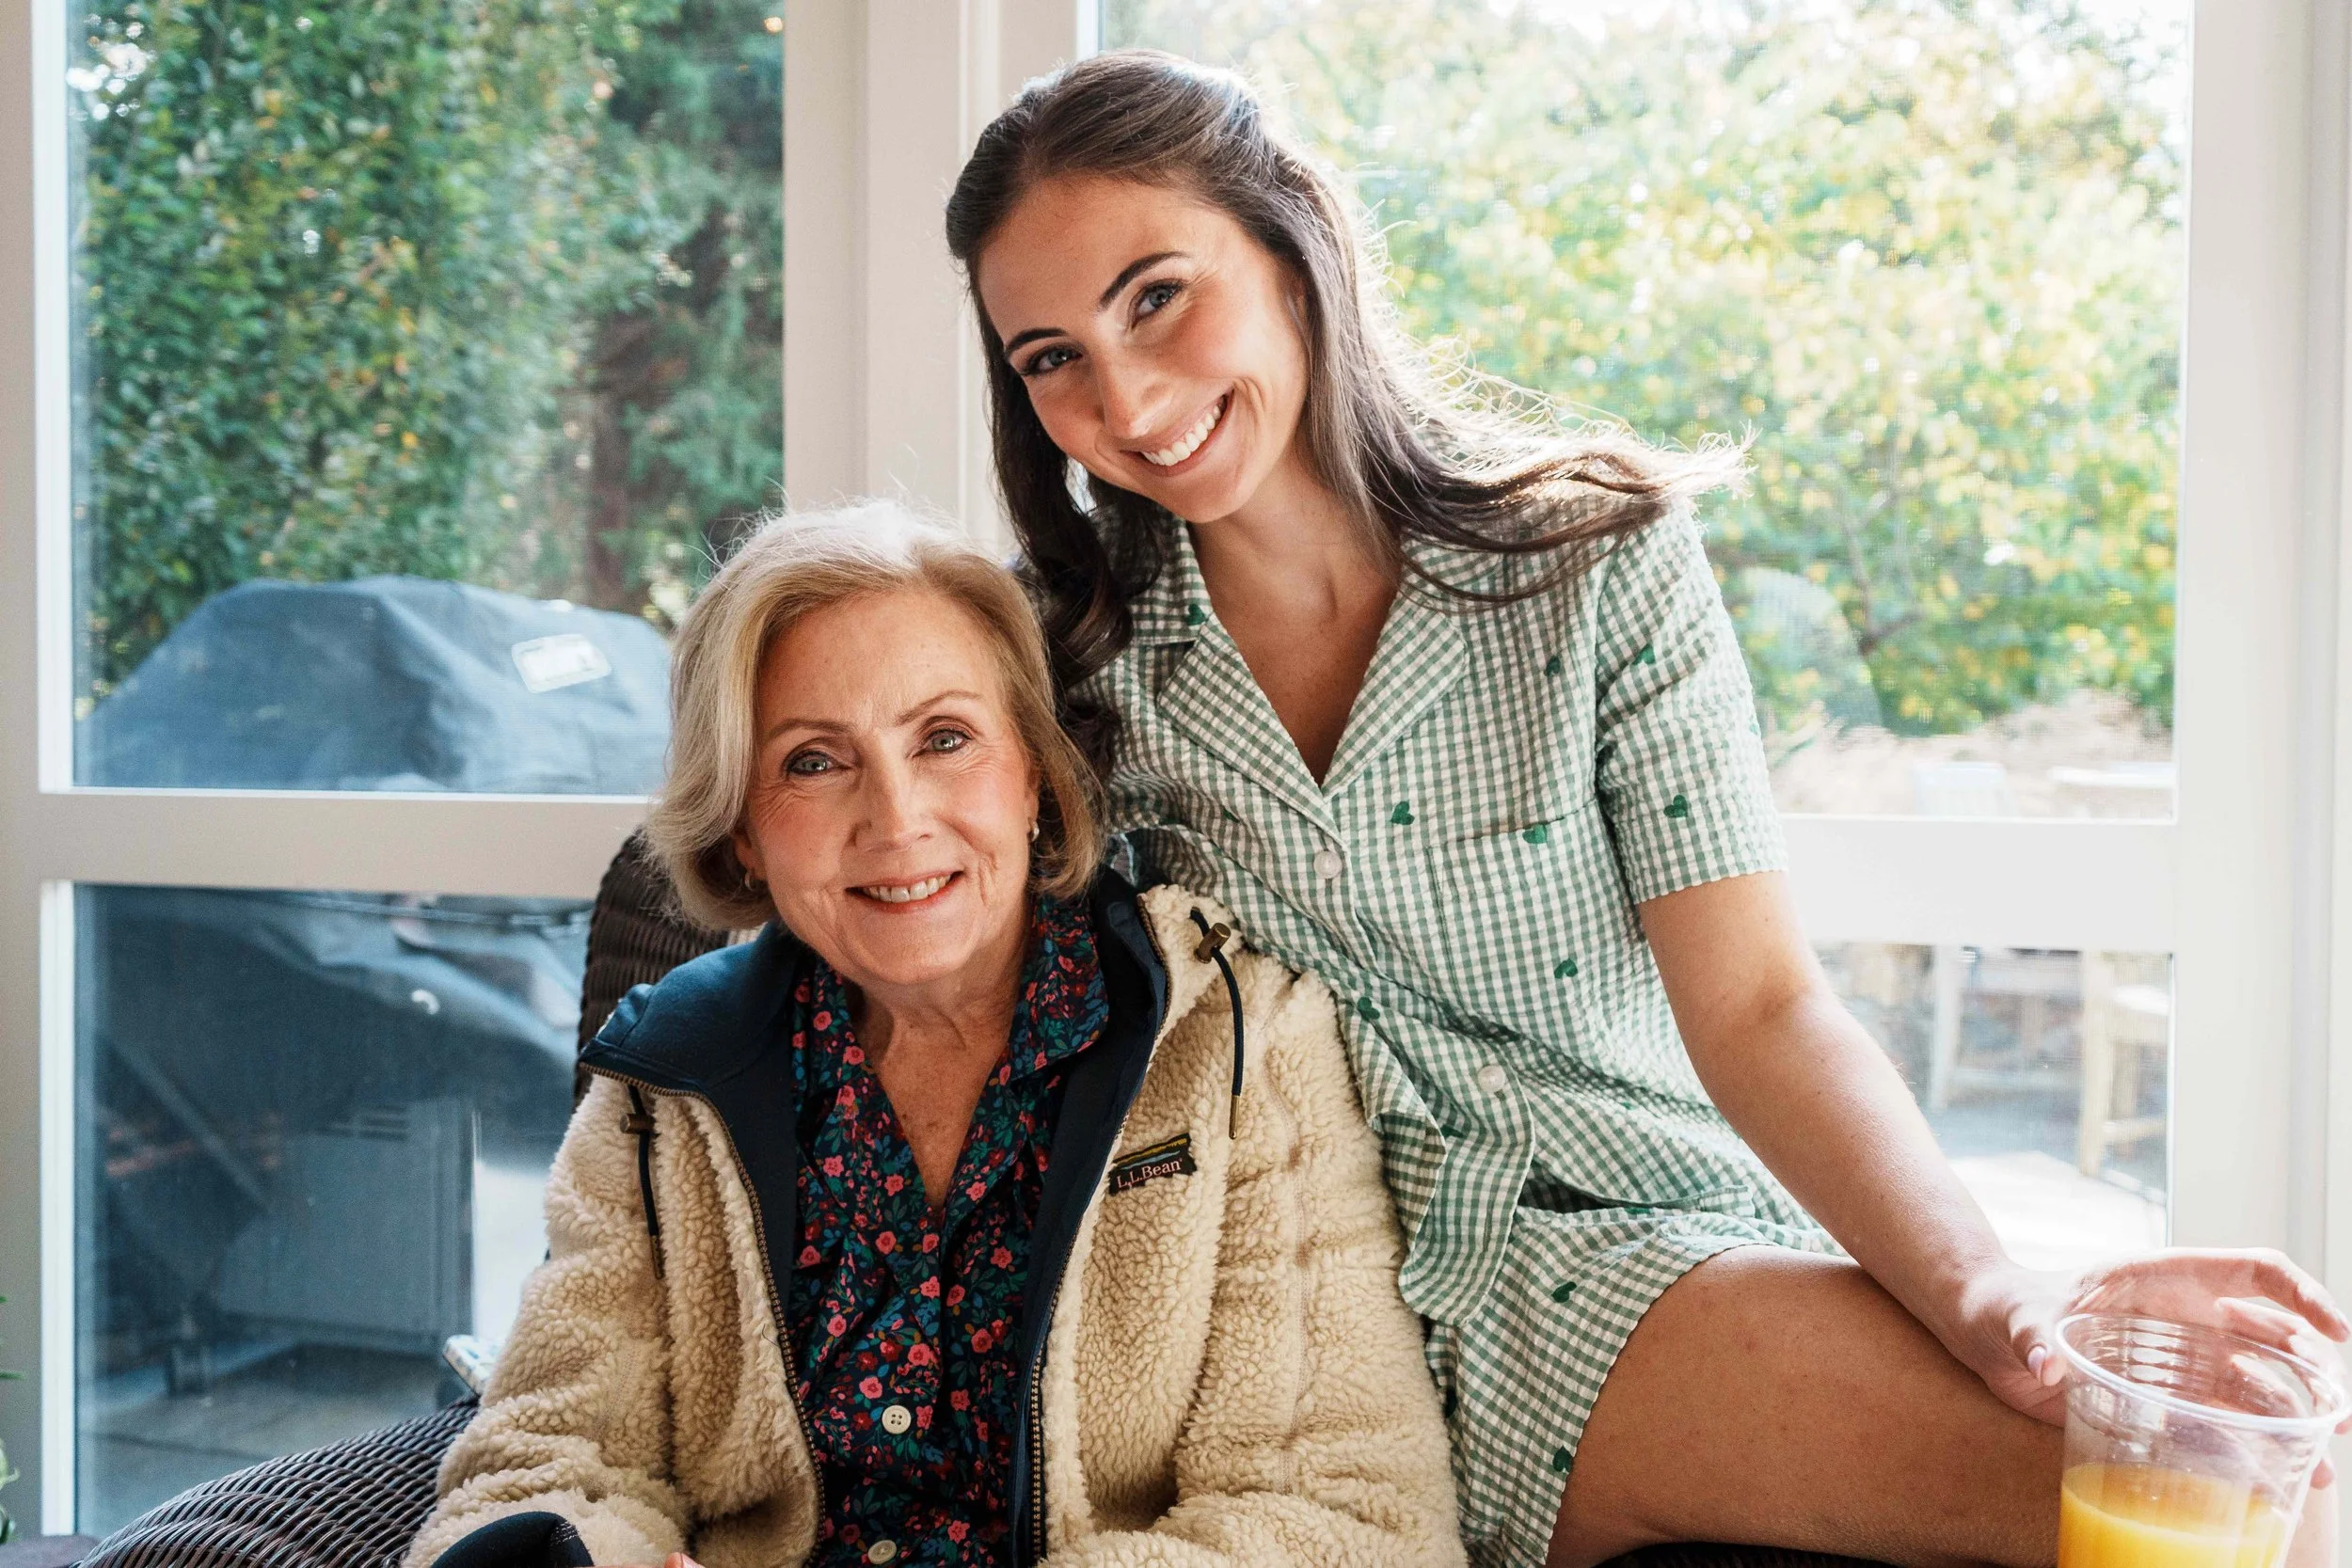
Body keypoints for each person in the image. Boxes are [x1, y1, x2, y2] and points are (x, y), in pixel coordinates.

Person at [944, 47, 2351, 1568]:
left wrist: (2001, 1295)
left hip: (1679, 1220)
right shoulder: (1064, 666)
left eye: (1156, 296)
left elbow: (1760, 1008)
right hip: (1343, 1311)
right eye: (1050, 357)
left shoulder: (1594, 553)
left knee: (2261, 1468)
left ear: (1291, 250)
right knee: (2216, 1496)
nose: (1126, 397)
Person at [405, 504, 1465, 1568]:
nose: (897, 815)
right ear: (742, 824)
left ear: (1035, 779)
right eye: (814, 761)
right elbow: (542, 1460)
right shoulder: (661, 1085)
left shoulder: (1232, 1036)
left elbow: (1349, 1515)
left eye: (945, 738)